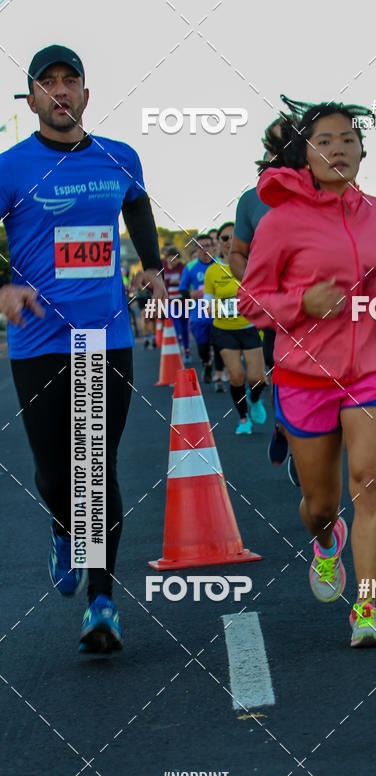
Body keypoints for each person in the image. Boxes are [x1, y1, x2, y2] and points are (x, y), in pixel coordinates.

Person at [238, 96, 376, 647]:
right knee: (321, 503)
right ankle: (325, 542)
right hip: (304, 375)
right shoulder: (280, 221)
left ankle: (366, 609)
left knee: (370, 481)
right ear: (306, 154)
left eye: (348, 138)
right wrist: (302, 303)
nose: (339, 148)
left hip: (373, 368)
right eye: (325, 141)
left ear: (363, 149)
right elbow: (251, 301)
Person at [0, 45, 167, 651]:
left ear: (87, 95)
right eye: (48, 83)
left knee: (96, 467)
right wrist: (4, 287)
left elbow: (138, 203)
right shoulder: (10, 167)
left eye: (71, 81)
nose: (61, 91)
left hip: (105, 335)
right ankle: (64, 530)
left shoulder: (118, 157)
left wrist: (151, 266)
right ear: (33, 99)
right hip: (37, 339)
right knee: (54, 471)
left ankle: (102, 601)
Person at [230, 118, 300, 484]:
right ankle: (285, 428)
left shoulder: (327, 192)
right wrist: (257, 287)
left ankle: (306, 438)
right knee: (284, 378)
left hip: (326, 313)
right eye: (270, 148)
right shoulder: (252, 200)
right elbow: (237, 254)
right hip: (278, 313)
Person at [206, 222, 267, 432]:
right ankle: (243, 419)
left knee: (258, 378)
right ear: (219, 243)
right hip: (224, 330)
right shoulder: (212, 271)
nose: (229, 241)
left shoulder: (252, 266)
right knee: (236, 376)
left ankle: (256, 400)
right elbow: (208, 301)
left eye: (233, 236)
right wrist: (211, 308)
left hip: (250, 328)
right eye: (224, 238)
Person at [179, 234, 224, 386]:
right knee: (203, 348)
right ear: (197, 250)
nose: (205, 250)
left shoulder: (221, 265)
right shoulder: (190, 267)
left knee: (219, 346)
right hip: (199, 316)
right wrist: (191, 294)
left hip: (218, 314)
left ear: (214, 247)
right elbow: (183, 289)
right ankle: (207, 364)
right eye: (201, 247)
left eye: (207, 246)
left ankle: (218, 378)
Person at [162, 245, 189, 360]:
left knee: (184, 328)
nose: (172, 261)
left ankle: (186, 350)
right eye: (170, 259)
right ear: (166, 258)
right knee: (176, 327)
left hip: (183, 303)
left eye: (175, 259)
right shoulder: (163, 268)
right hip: (170, 303)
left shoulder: (183, 268)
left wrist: (179, 281)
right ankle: (177, 350)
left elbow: (187, 282)